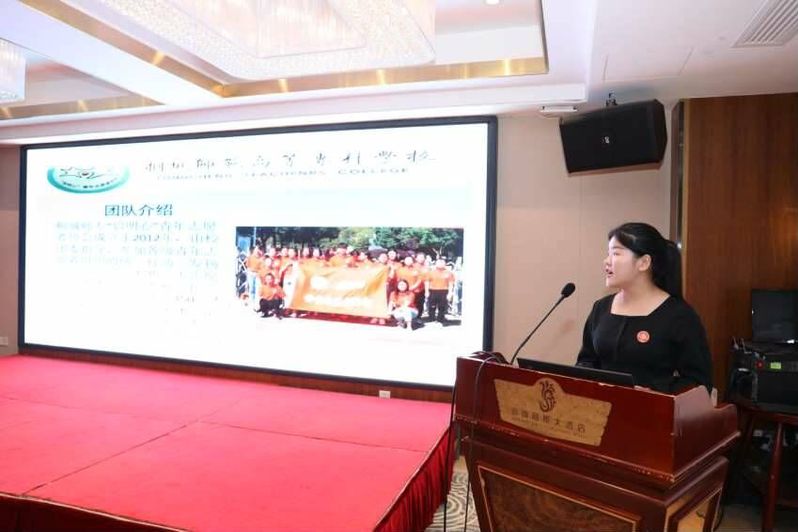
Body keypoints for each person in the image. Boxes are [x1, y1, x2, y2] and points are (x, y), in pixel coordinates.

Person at [576, 222, 713, 394]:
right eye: (608, 254)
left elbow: (698, 383)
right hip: (601, 407)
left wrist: (655, 391)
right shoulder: (601, 308)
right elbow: (586, 361)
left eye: (615, 253)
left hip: (654, 409)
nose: (607, 261)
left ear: (644, 262)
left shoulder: (679, 315)